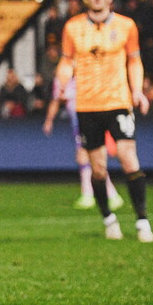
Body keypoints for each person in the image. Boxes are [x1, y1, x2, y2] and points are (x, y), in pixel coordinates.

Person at [57, 0, 153, 242]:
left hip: (118, 102)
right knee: (98, 169)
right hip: (87, 105)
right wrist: (62, 83)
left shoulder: (126, 26)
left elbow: (134, 61)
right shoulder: (72, 27)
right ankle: (109, 219)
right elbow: (66, 61)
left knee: (128, 157)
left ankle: (142, 220)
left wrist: (137, 92)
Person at [43, 76, 125, 211]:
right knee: (88, 158)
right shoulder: (62, 78)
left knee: (86, 156)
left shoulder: (88, 74)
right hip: (78, 124)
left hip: (91, 121)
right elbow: (57, 100)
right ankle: (107, 194)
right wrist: (49, 120)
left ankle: (94, 194)